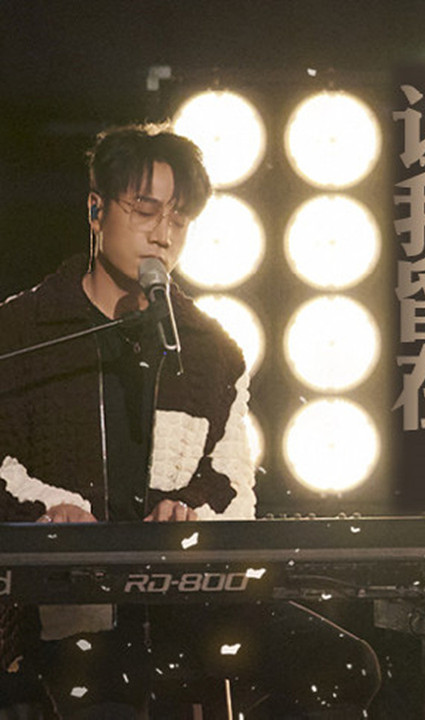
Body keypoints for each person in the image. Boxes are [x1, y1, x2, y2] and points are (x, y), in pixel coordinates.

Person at [0, 124, 378, 718]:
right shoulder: (25, 329)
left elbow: (234, 483)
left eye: (179, 219)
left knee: (342, 666)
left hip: (182, 600)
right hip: (63, 602)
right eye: (145, 210)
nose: (163, 234)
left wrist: (190, 509)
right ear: (96, 209)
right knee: (100, 682)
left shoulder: (209, 348)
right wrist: (52, 512)